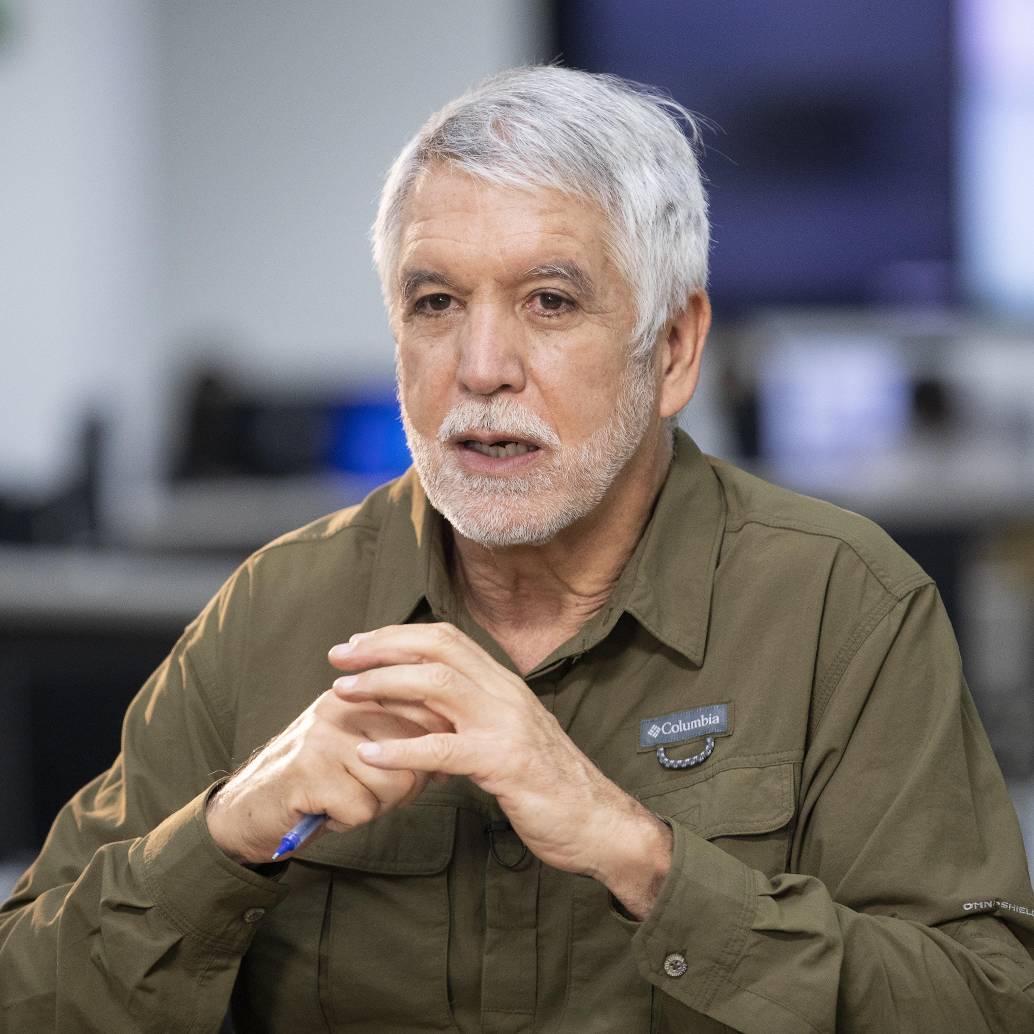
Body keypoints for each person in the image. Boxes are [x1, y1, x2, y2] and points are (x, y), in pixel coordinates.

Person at [2, 66, 1033, 1034]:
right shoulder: (273, 610)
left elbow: (984, 1003)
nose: (481, 367)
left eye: (549, 301)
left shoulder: (840, 605)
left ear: (671, 350)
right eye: (435, 303)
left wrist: (638, 853)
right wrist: (228, 832)